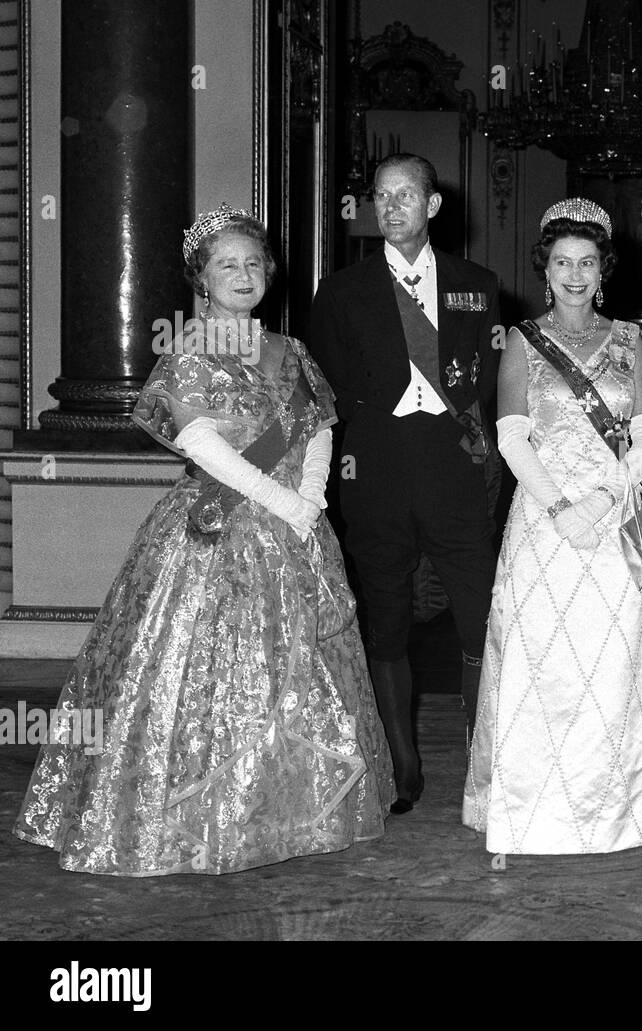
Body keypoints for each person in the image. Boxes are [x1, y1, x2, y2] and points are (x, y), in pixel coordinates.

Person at [12, 205, 391, 875]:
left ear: (269, 274)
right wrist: (278, 499)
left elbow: (319, 425)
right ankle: (188, 819)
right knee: (199, 675)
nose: (243, 275)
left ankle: (287, 813)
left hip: (296, 524)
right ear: (203, 280)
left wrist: (310, 497)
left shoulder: (290, 351)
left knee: (299, 669)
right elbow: (196, 439)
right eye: (227, 266)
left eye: (253, 263)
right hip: (215, 527)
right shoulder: (188, 349)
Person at [462, 199, 642, 854]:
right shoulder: (521, 341)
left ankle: (623, 810)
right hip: (544, 525)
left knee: (616, 661)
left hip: (615, 516)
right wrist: (563, 507)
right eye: (562, 261)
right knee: (546, 666)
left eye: (586, 262)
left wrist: (601, 498)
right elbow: (511, 438)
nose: (573, 274)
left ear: (603, 270)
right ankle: (536, 813)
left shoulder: (629, 340)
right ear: (545, 268)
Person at [310, 153, 501, 814]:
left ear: (433, 205)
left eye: (406, 196)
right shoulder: (338, 292)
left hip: (453, 470)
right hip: (376, 471)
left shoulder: (477, 283)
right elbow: (324, 395)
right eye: (381, 197)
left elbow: (492, 378)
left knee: (483, 619)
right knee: (385, 623)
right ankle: (403, 764)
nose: (392, 208)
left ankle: (489, 759)